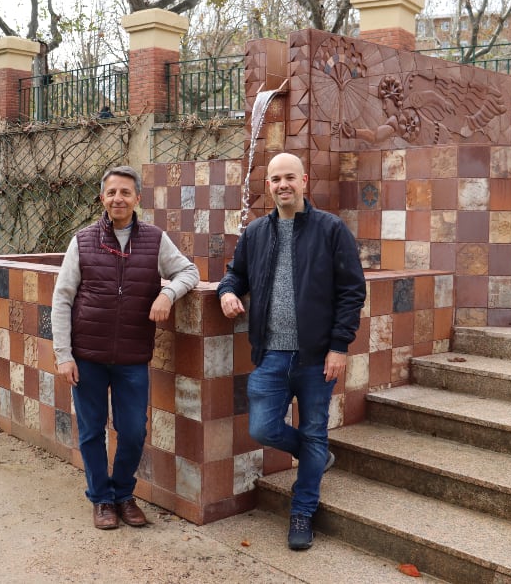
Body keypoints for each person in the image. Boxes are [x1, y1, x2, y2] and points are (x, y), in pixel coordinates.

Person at [217, 152, 366, 550]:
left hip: (317, 357)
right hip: (270, 355)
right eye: (275, 179)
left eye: (289, 178)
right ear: (268, 186)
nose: (282, 185)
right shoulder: (255, 234)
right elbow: (236, 273)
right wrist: (228, 291)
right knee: (262, 428)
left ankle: (302, 512)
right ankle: (314, 454)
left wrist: (339, 346)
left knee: (315, 429)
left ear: (304, 182)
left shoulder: (331, 229)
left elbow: (352, 291)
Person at [52, 165, 200, 530]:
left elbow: (189, 272)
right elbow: (62, 298)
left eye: (125, 192)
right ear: (102, 198)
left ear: (137, 198)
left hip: (133, 357)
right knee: (91, 431)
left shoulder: (154, 239)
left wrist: (168, 293)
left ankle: (123, 493)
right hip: (87, 356)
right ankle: (101, 499)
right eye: (112, 192)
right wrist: (63, 354)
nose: (118, 198)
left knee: (133, 431)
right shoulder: (83, 240)